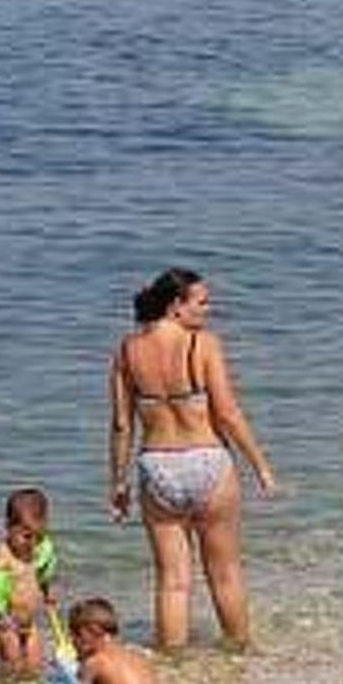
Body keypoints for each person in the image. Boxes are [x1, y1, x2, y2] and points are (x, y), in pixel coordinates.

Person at [110, 267, 278, 650]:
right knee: (225, 572)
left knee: (172, 580)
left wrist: (118, 483)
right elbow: (228, 413)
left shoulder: (126, 351)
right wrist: (260, 467)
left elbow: (122, 425)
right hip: (208, 461)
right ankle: (238, 652)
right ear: (175, 306)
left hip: (157, 466)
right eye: (201, 302)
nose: (208, 309)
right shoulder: (202, 344)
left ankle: (173, 665)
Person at [0, 487, 59, 676]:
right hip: (8, 624)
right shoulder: (4, 555)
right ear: (9, 526)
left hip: (30, 624)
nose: (32, 542)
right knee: (11, 666)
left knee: (35, 666)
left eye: (38, 536)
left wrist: (49, 594)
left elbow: (42, 575)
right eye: (26, 536)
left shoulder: (37, 551)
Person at [60, 597, 172, 684]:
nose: (72, 642)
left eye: (74, 635)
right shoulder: (134, 653)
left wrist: (68, 675)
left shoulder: (94, 662)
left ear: (89, 633)